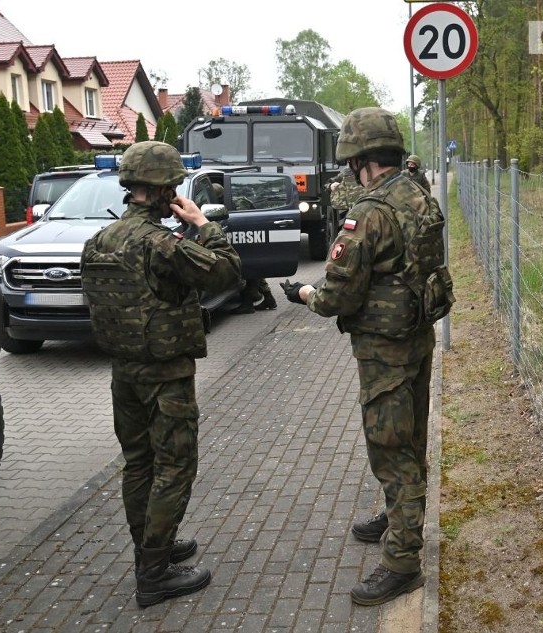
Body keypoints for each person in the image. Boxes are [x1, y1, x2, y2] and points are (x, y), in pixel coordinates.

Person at [279, 107, 454, 606]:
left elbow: (336, 296)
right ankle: (399, 518)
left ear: (361, 161)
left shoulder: (369, 212)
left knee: (390, 449)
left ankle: (402, 562)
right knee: (410, 439)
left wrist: (304, 295)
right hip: (417, 338)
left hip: (384, 352)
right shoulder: (419, 195)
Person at [80, 141, 242, 607]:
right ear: (166, 189)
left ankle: (153, 546)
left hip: (123, 370)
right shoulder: (162, 244)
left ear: (130, 188)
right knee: (175, 465)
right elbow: (227, 271)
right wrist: (202, 224)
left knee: (139, 462)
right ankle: (153, 574)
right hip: (165, 373)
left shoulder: (101, 240)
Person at [210, 182, 277, 314]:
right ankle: (268, 298)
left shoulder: (238, 204)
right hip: (250, 238)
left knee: (248, 269)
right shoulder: (231, 202)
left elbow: (239, 222)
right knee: (253, 269)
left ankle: (248, 303)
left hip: (249, 238)